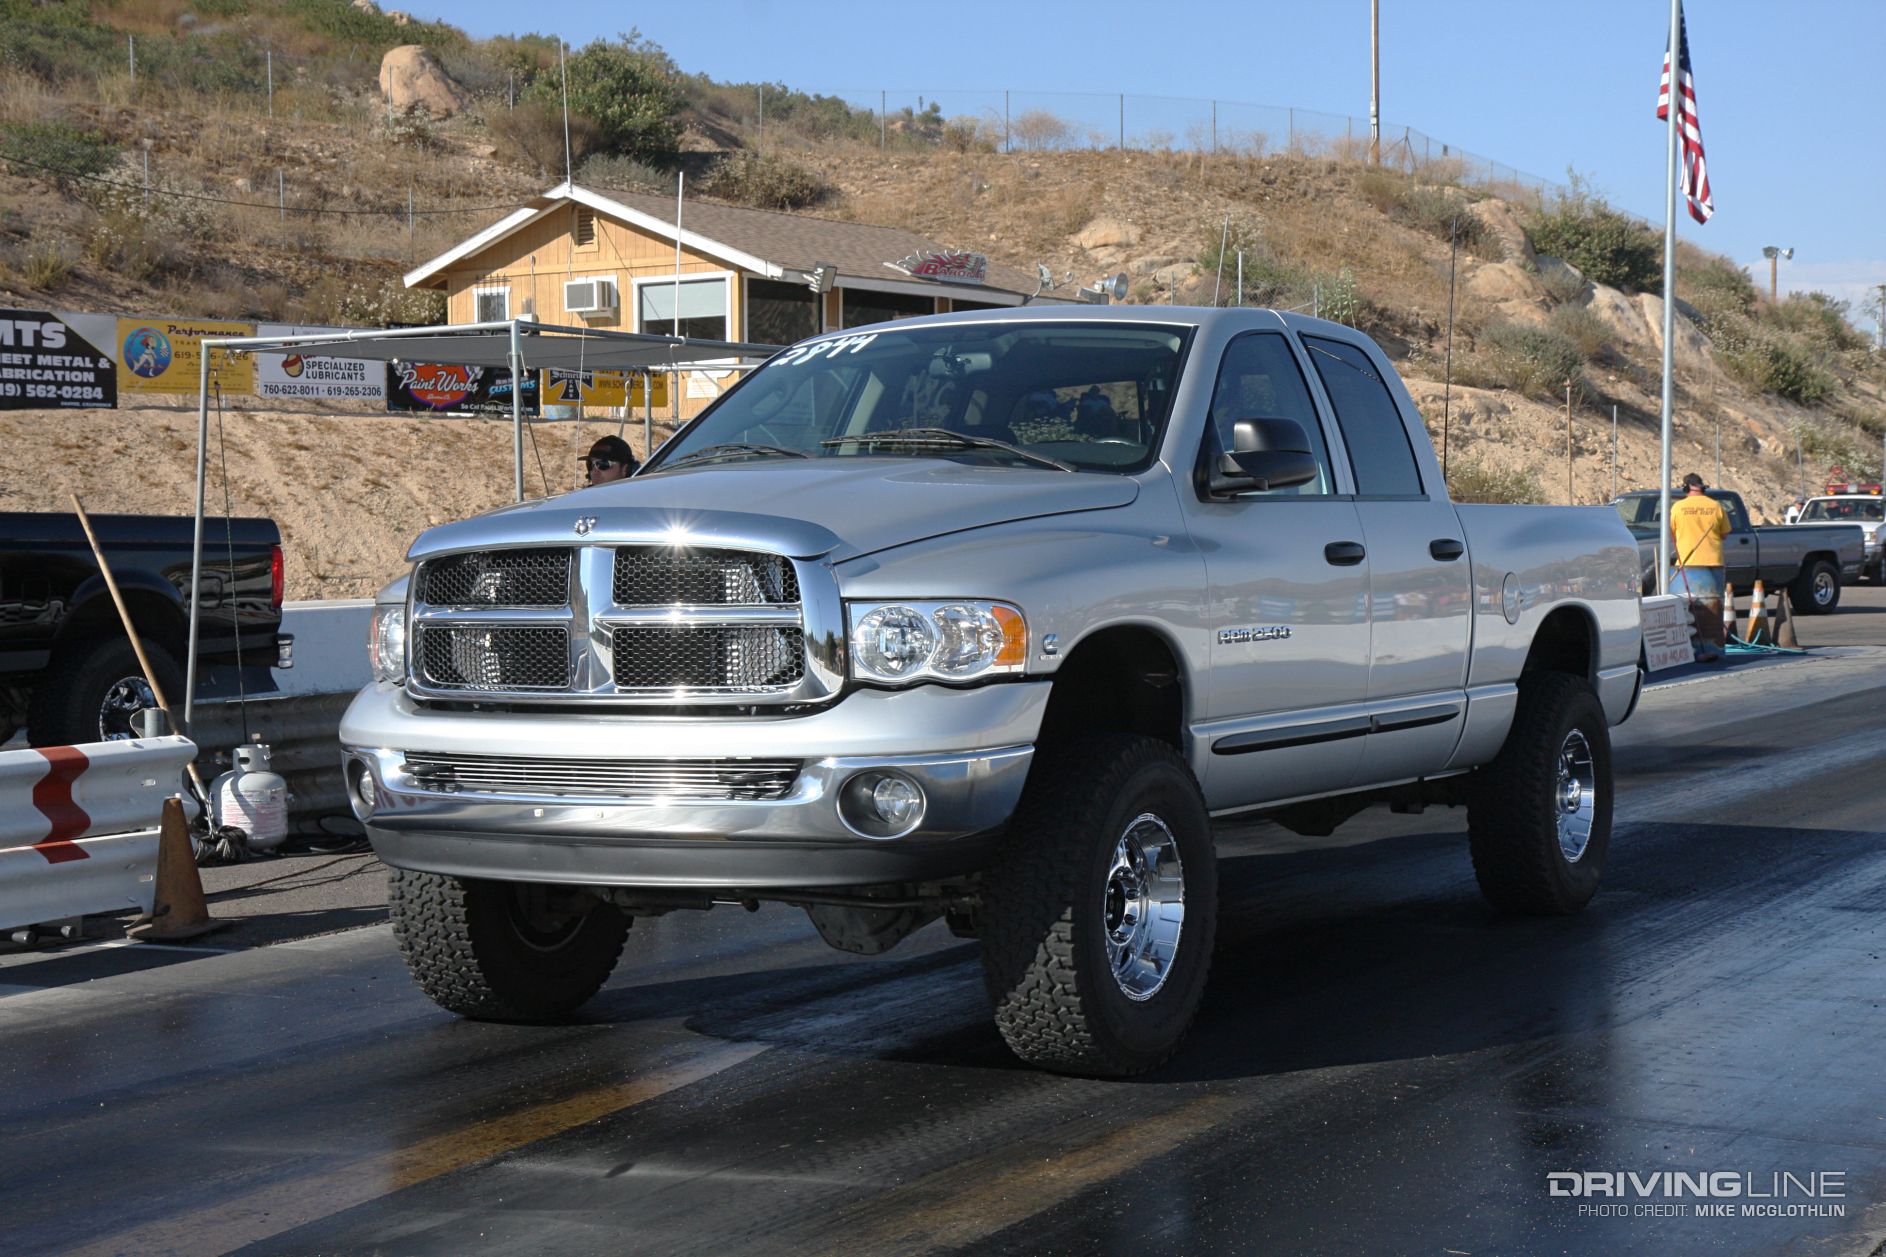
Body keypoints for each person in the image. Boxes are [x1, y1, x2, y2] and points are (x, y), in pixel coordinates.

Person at [1669, 472, 1731, 661]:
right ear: (1702, 486)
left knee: (1687, 611)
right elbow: (1725, 533)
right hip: (1713, 562)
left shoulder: (1678, 507)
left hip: (1687, 564)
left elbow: (1672, 534)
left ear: (1686, 488)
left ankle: (1690, 651)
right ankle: (1714, 647)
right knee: (1714, 610)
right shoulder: (1715, 506)